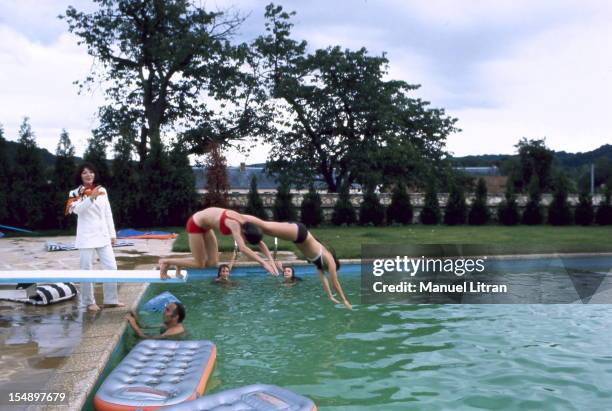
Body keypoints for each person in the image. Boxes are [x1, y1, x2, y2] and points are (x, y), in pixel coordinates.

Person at [242, 217, 351, 309]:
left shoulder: (320, 265)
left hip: (296, 236)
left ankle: (242, 224)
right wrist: (344, 300)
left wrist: (330, 296)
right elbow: (335, 283)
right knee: (266, 226)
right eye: (332, 270)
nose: (329, 271)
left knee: (265, 229)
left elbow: (324, 281)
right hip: (300, 233)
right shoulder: (329, 259)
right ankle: (240, 218)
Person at [66, 163, 124, 312]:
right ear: (80, 175)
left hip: (103, 235)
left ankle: (111, 300)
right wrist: (90, 198)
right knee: (86, 269)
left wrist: (112, 233)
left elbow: (107, 213)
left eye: (91, 172)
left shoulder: (102, 190)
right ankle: (89, 302)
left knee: (111, 267)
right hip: (86, 237)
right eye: (85, 172)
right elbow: (77, 210)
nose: (88, 175)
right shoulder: (74, 193)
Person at [158, 207, 279, 279]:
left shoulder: (249, 224)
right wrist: (263, 263)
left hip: (206, 227)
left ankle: (179, 264)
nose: (245, 241)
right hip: (195, 224)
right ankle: (166, 262)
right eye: (246, 239)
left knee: (213, 262)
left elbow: (260, 242)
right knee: (199, 263)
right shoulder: (234, 224)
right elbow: (242, 248)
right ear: (244, 232)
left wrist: (271, 261)